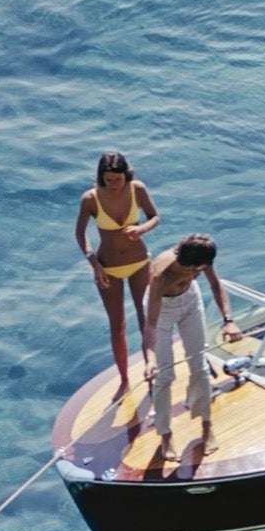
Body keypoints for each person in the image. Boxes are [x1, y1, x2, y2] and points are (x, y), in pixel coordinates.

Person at [74, 151, 159, 392]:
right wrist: (94, 263)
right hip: (108, 267)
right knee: (117, 325)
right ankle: (124, 380)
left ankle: (151, 371)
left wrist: (141, 229)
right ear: (101, 176)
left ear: (126, 175)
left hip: (139, 262)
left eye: (118, 179)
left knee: (146, 320)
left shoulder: (137, 189)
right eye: (108, 180)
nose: (113, 184)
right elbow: (80, 233)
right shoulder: (90, 199)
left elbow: (154, 216)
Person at [143, 234, 223, 463]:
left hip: (190, 300)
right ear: (190, 266)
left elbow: (216, 284)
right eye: (198, 270)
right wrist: (150, 359)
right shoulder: (161, 276)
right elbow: (150, 324)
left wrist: (228, 320)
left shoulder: (200, 255)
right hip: (162, 309)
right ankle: (165, 435)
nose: (200, 272)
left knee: (200, 366)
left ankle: (206, 426)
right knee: (164, 375)